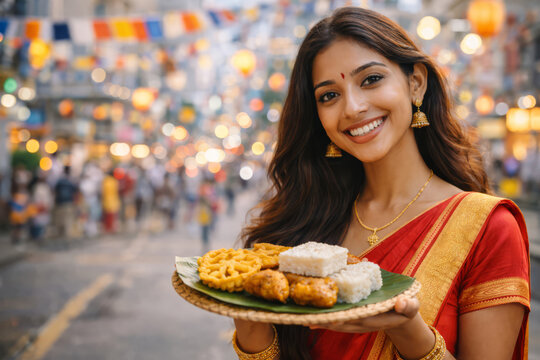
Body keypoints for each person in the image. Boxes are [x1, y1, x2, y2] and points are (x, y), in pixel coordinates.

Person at [232, 7, 529, 360]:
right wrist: (248, 323)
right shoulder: (306, 223)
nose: (353, 108)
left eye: (371, 79)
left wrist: (408, 330)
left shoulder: (487, 229)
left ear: (416, 83)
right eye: (329, 95)